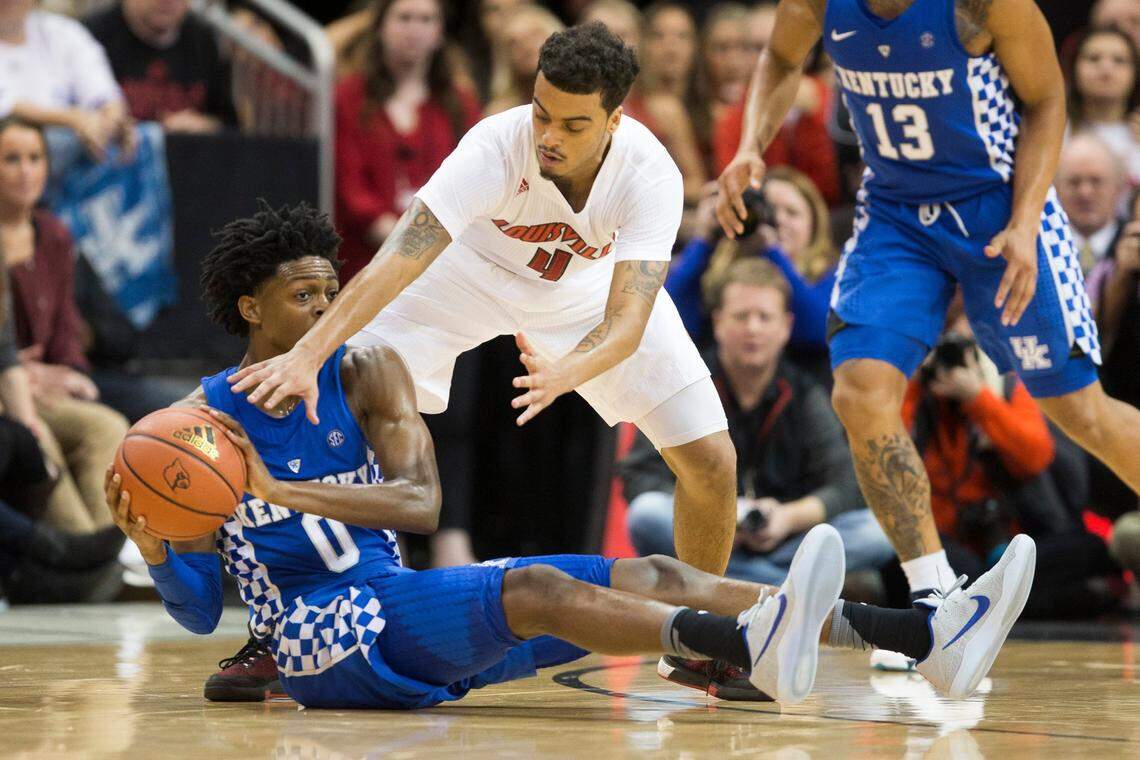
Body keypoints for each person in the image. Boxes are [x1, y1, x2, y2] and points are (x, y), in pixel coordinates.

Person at [110, 200, 1034, 708]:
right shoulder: (191, 435)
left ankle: (923, 637)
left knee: (656, 572)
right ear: (250, 311)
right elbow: (195, 617)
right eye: (305, 297)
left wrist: (281, 488)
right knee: (541, 593)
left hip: (398, 602)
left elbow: (421, 508)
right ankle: (749, 643)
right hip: (317, 638)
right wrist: (154, 544)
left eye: (331, 291)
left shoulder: (368, 370)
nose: (328, 311)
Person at [228, 23, 742, 581]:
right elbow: (398, 258)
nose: (550, 136)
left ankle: (700, 631)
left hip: (586, 294)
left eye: (574, 125)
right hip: (466, 275)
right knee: (331, 383)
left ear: (614, 120)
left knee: (712, 461)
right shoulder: (495, 145)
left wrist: (567, 371)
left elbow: (627, 321)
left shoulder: (650, 174)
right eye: (542, 113)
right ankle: (302, 592)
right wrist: (308, 352)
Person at [716, 0, 1138, 617]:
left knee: (1079, 410)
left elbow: (1048, 102)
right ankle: (937, 595)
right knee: (859, 392)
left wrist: (1025, 222)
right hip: (897, 213)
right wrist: (751, 144)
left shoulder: (985, 6)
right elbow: (781, 57)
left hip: (999, 205)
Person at [623, 257, 893, 591]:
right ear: (718, 322)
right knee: (647, 513)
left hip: (784, 539)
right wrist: (717, 516)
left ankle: (733, 590)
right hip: (700, 533)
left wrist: (789, 517)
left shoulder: (804, 394)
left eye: (765, 317)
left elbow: (847, 483)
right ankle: (780, 593)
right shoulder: (680, 384)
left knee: (879, 530)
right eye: (741, 316)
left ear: (785, 327)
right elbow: (639, 475)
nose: (753, 328)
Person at [902, 319, 1116, 618]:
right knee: (953, 570)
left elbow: (1036, 457)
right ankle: (1017, 605)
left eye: (961, 351)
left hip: (1009, 543)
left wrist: (977, 397)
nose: (950, 364)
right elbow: (892, 455)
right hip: (949, 547)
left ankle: (988, 607)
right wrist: (914, 378)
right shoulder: (919, 399)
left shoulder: (1004, 388)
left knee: (1091, 548)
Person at [0, 115, 128, 534]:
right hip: (8, 391)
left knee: (106, 424)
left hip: (41, 385)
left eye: (35, 158)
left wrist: (72, 373)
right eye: (12, 159)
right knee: (38, 440)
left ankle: (114, 545)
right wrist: (18, 373)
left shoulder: (54, 234)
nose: (25, 171)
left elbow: (64, 326)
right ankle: (84, 550)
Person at [334, 0, 480, 283]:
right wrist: (410, 246)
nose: (415, 29)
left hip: (445, 264)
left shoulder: (460, 104)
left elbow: (474, 182)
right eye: (404, 18)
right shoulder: (347, 98)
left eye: (426, 20)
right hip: (366, 264)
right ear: (380, 28)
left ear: (439, 32)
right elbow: (350, 192)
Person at [666, 169, 839, 384]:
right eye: (769, 210)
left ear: (814, 225)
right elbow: (667, 319)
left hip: (802, 398)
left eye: (792, 212)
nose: (778, 220)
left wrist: (771, 250)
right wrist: (704, 239)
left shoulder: (832, 275)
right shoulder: (713, 269)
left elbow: (818, 331)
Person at [0, 0, 134, 162]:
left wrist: (112, 120)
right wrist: (76, 120)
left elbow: (105, 94)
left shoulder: (63, 31)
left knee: (143, 136)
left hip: (82, 157)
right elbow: (9, 106)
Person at [84, 0, 238, 133]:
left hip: (188, 158)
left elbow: (230, 125)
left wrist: (203, 126)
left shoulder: (203, 40)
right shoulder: (88, 38)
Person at [1064, 26, 1140, 195]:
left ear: (1135, 72)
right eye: (1093, 58)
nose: (1106, 69)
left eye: (1119, 60)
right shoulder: (1055, 131)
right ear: (1073, 68)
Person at [1056, 132, 1129, 272]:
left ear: (1119, 186)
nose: (1085, 192)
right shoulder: (1041, 248)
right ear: (1056, 188)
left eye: (1097, 181)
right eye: (1074, 182)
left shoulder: (1134, 244)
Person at [484, 5, 564, 115]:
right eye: (514, 43)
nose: (526, 46)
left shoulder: (586, 95)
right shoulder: (500, 114)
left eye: (534, 35)